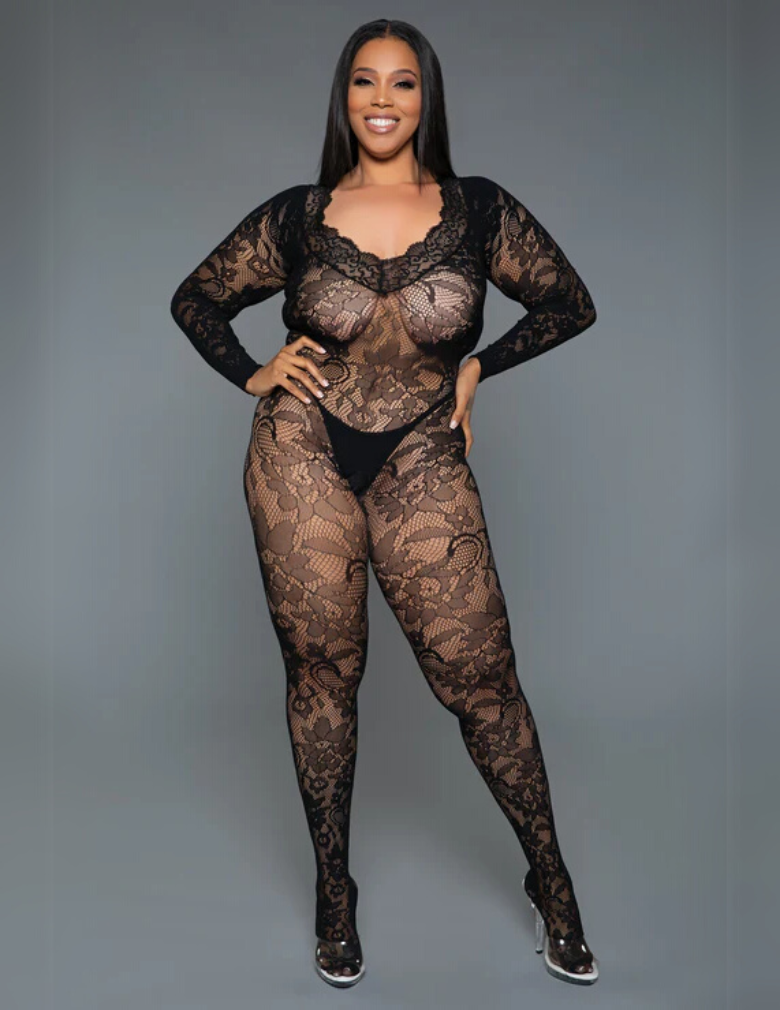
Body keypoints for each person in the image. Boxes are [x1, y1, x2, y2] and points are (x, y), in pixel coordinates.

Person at [170, 18, 599, 990]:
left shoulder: (478, 209)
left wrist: (480, 364)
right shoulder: (299, 215)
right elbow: (196, 297)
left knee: (482, 680)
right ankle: (335, 891)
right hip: (300, 451)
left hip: (421, 456)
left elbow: (568, 302)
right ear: (344, 97)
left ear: (426, 99)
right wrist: (253, 372)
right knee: (323, 675)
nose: (382, 99)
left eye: (402, 83)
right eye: (364, 81)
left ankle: (552, 882)